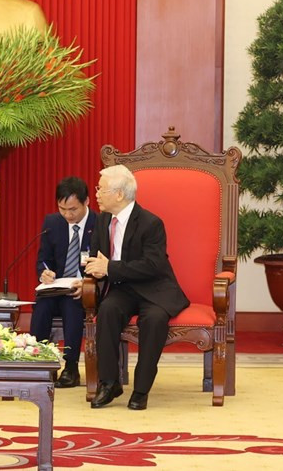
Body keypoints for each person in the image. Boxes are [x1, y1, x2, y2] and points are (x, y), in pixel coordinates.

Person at [84, 164, 189, 410]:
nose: (96, 193)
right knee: (108, 311)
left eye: (101, 189)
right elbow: (95, 258)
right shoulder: (102, 221)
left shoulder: (151, 223)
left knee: (154, 321)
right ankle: (109, 383)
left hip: (154, 289)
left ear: (119, 194)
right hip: (124, 288)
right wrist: (88, 274)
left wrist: (109, 268)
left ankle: (141, 390)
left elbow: (151, 266)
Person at [30, 176, 96, 388]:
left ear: (87, 202)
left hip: (83, 289)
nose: (67, 215)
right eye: (62, 209)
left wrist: (87, 283)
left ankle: (71, 367)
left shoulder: (100, 223)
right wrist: (44, 273)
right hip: (57, 286)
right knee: (41, 305)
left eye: (73, 209)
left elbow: (107, 260)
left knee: (72, 305)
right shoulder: (52, 222)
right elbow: (43, 259)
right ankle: (39, 365)